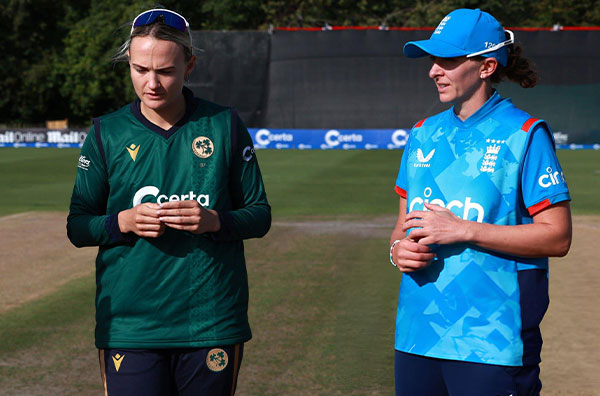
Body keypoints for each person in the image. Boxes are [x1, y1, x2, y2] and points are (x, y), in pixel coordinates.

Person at [66, 8, 271, 396]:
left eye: (165, 71)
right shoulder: (105, 133)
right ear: (129, 63)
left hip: (210, 322)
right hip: (131, 326)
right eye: (141, 69)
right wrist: (120, 222)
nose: (152, 83)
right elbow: (77, 226)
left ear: (189, 66)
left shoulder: (223, 124)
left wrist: (215, 221)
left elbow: (259, 215)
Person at [389, 8, 572, 396]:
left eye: (449, 60)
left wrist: (463, 230)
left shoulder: (524, 134)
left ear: (487, 66)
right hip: (416, 334)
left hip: (491, 341)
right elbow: (403, 225)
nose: (433, 70)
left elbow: (557, 238)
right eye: (432, 60)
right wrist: (397, 250)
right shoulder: (423, 134)